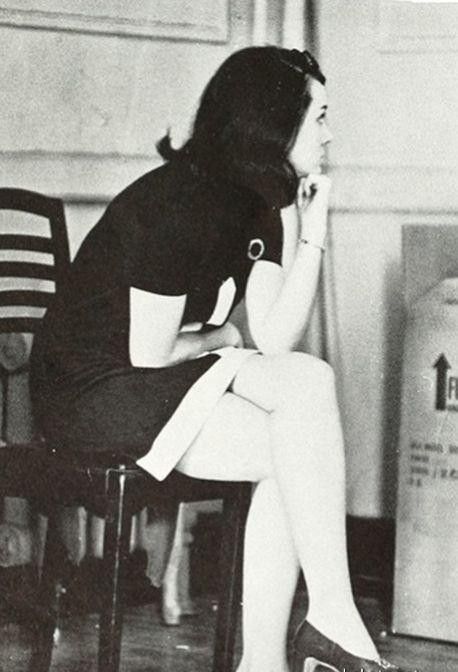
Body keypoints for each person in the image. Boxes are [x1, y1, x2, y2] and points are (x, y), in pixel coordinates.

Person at [30, 47, 409, 672]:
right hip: (89, 392)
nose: (329, 134)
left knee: (300, 431)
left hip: (153, 383)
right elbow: (149, 353)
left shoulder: (259, 204)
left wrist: (313, 227)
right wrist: (226, 336)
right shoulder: (178, 202)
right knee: (298, 437)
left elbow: (277, 336)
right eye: (319, 117)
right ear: (273, 122)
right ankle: (322, 628)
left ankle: (283, 649)